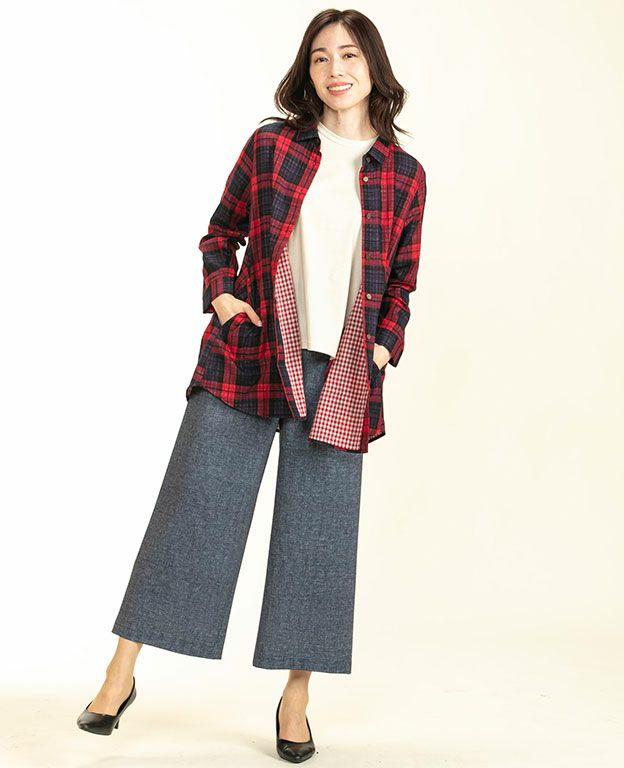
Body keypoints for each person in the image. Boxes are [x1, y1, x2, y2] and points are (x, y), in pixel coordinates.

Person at [76, 8, 427, 763]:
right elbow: (220, 233)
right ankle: (120, 673)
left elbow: (402, 280)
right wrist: (224, 297)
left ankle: (296, 697)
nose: (336, 70)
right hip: (252, 350)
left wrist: (382, 348)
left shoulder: (405, 175)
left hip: (341, 370)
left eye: (349, 55)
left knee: (318, 538)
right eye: (321, 58)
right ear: (308, 71)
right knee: (192, 509)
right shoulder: (274, 146)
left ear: (373, 66)